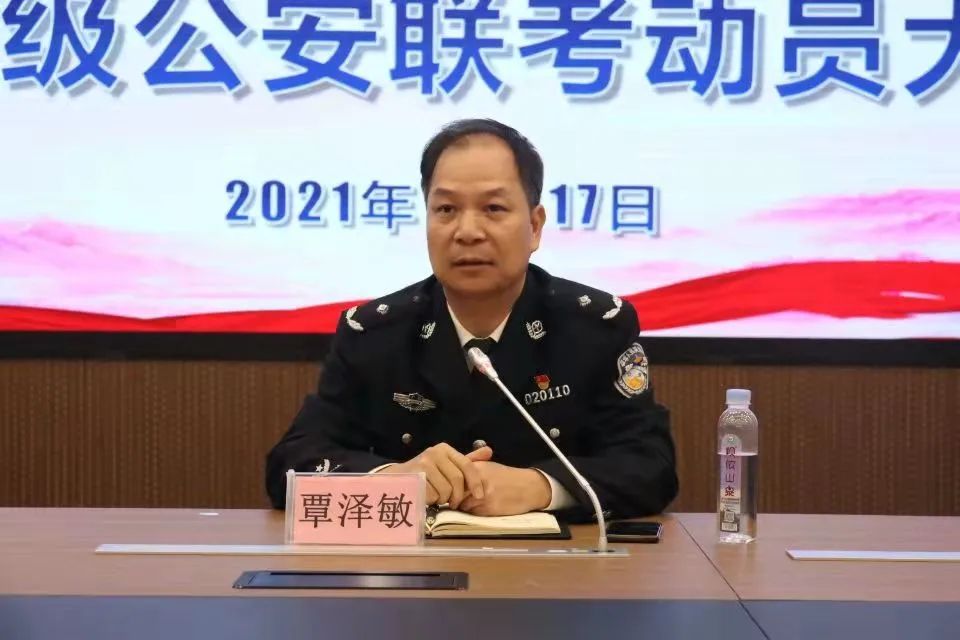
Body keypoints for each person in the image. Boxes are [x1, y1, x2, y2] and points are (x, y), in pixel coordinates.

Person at [265, 119, 678, 522]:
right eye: (446, 209)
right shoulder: (374, 334)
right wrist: (393, 478)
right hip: (409, 564)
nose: (467, 231)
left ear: (534, 226)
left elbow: (650, 465)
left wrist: (539, 486)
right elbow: (291, 463)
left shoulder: (594, 328)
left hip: (556, 563)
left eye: (493, 208)